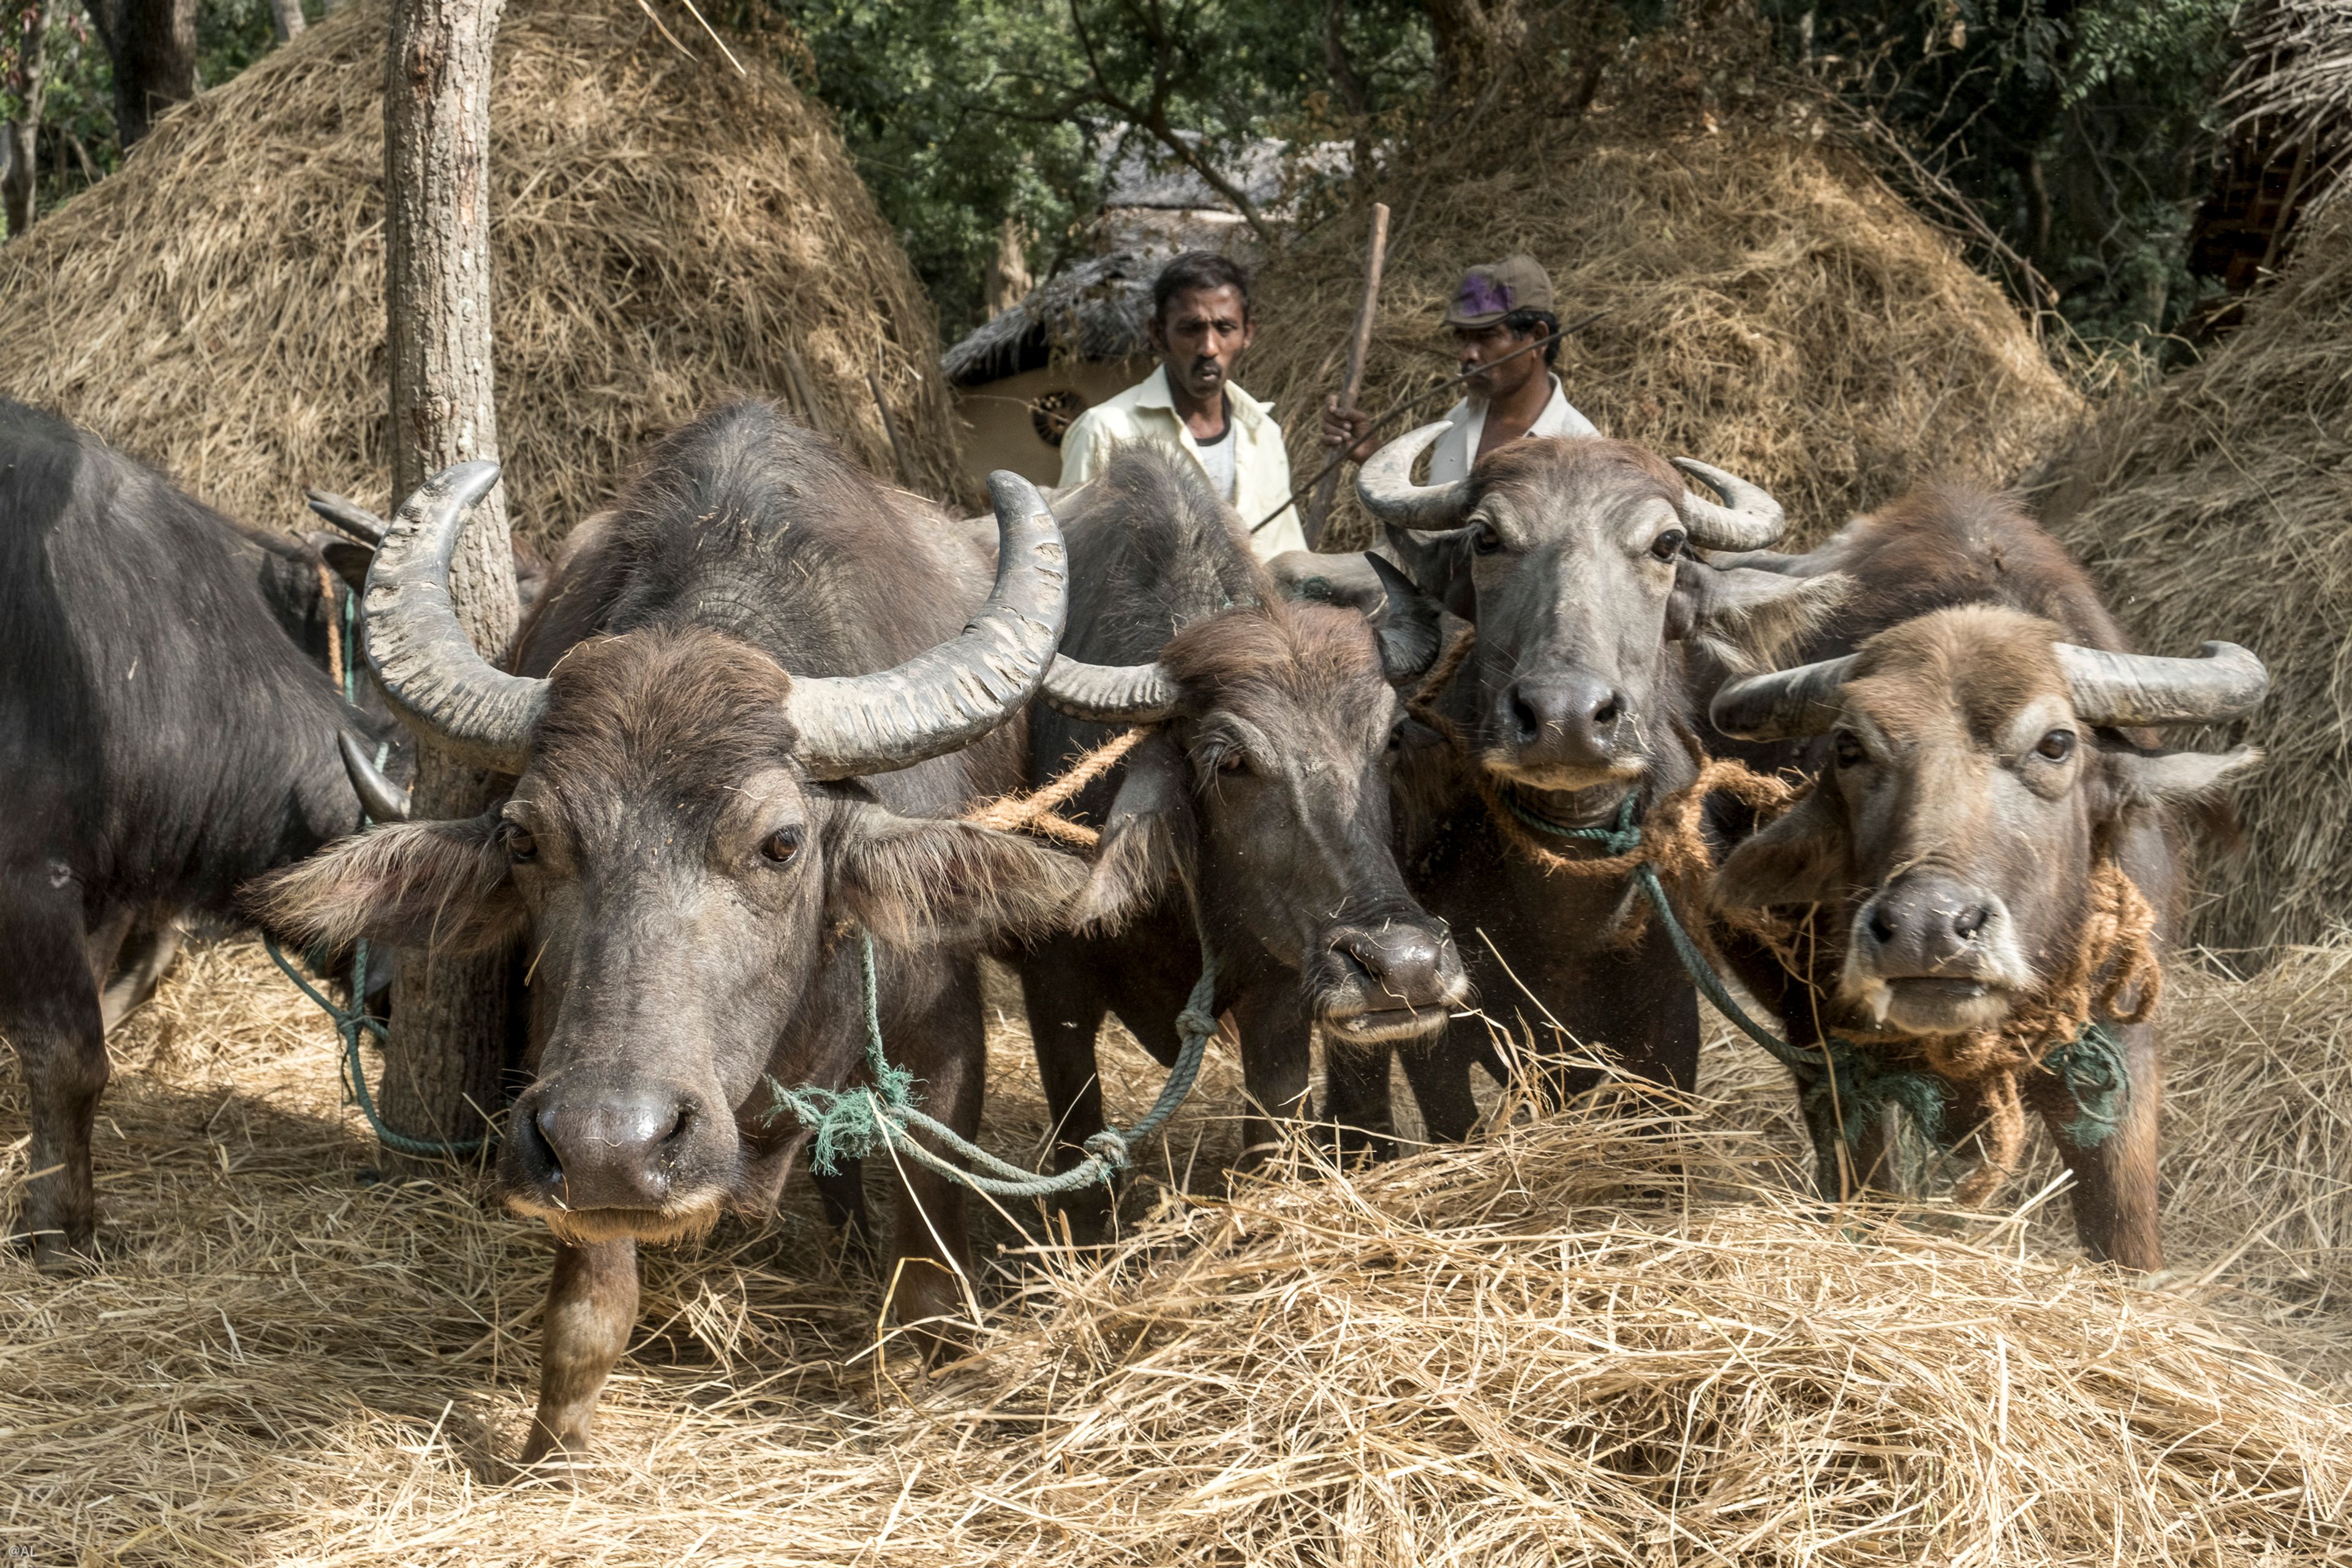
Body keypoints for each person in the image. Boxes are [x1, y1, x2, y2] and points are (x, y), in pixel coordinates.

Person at [1058, 251, 1305, 557]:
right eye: (1191, 329)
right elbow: (1075, 560)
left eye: (1225, 328)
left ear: (1247, 334)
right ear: (1159, 335)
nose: (1209, 348)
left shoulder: (1264, 433)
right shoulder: (1105, 432)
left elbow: (1290, 555)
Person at [1322, 254, 1597, 481]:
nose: (1468, 354)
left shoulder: (1581, 454)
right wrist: (1372, 457)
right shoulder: (1458, 420)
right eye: (1462, 337)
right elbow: (1429, 538)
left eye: (1486, 336)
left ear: (1538, 338)